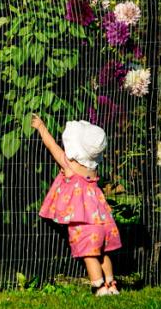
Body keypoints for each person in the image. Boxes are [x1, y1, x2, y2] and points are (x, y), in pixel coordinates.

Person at [31, 113, 122, 296]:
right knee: (103, 254)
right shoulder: (92, 168)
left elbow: (52, 146)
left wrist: (41, 127)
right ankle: (112, 284)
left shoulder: (70, 166)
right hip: (103, 220)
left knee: (89, 255)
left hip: (85, 223)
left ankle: (99, 286)